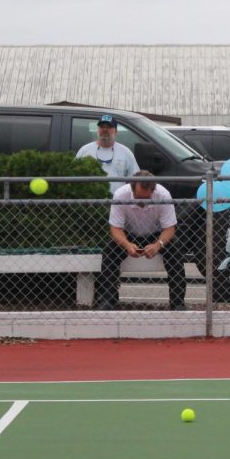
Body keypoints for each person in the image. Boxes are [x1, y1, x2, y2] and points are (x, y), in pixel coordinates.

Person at [96, 171, 186, 311]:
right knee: (110, 250)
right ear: (132, 189)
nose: (142, 201)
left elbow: (169, 229)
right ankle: (108, 300)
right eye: (138, 197)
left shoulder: (163, 195)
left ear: (153, 190)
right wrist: (126, 245)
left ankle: (178, 303)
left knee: (176, 249)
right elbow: (115, 229)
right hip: (129, 234)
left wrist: (158, 245)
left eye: (147, 197)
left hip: (156, 235)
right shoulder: (120, 195)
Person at [76, 114, 139, 193]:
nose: (105, 130)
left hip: (117, 203)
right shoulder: (84, 150)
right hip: (90, 201)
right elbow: (74, 176)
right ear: (97, 129)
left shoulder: (126, 152)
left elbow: (135, 180)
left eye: (109, 127)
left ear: (116, 131)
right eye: (102, 127)